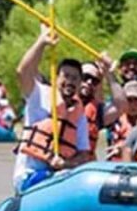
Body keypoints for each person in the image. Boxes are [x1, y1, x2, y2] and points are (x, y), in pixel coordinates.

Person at [12, 27, 93, 192]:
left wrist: (65, 163)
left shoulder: (79, 115)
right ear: (56, 77)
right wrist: (42, 42)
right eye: (66, 76)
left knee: (67, 177)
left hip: (59, 175)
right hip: (29, 175)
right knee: (60, 179)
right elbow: (22, 71)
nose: (70, 82)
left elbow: (84, 155)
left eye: (75, 78)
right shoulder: (39, 93)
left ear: (80, 84)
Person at [79, 58, 127, 153]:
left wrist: (108, 73)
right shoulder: (57, 101)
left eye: (94, 80)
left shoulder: (97, 112)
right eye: (85, 77)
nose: (89, 82)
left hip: (83, 165)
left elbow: (121, 106)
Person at [106, 80, 137, 160]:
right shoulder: (114, 119)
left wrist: (124, 147)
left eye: (136, 99)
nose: (133, 104)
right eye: (129, 100)